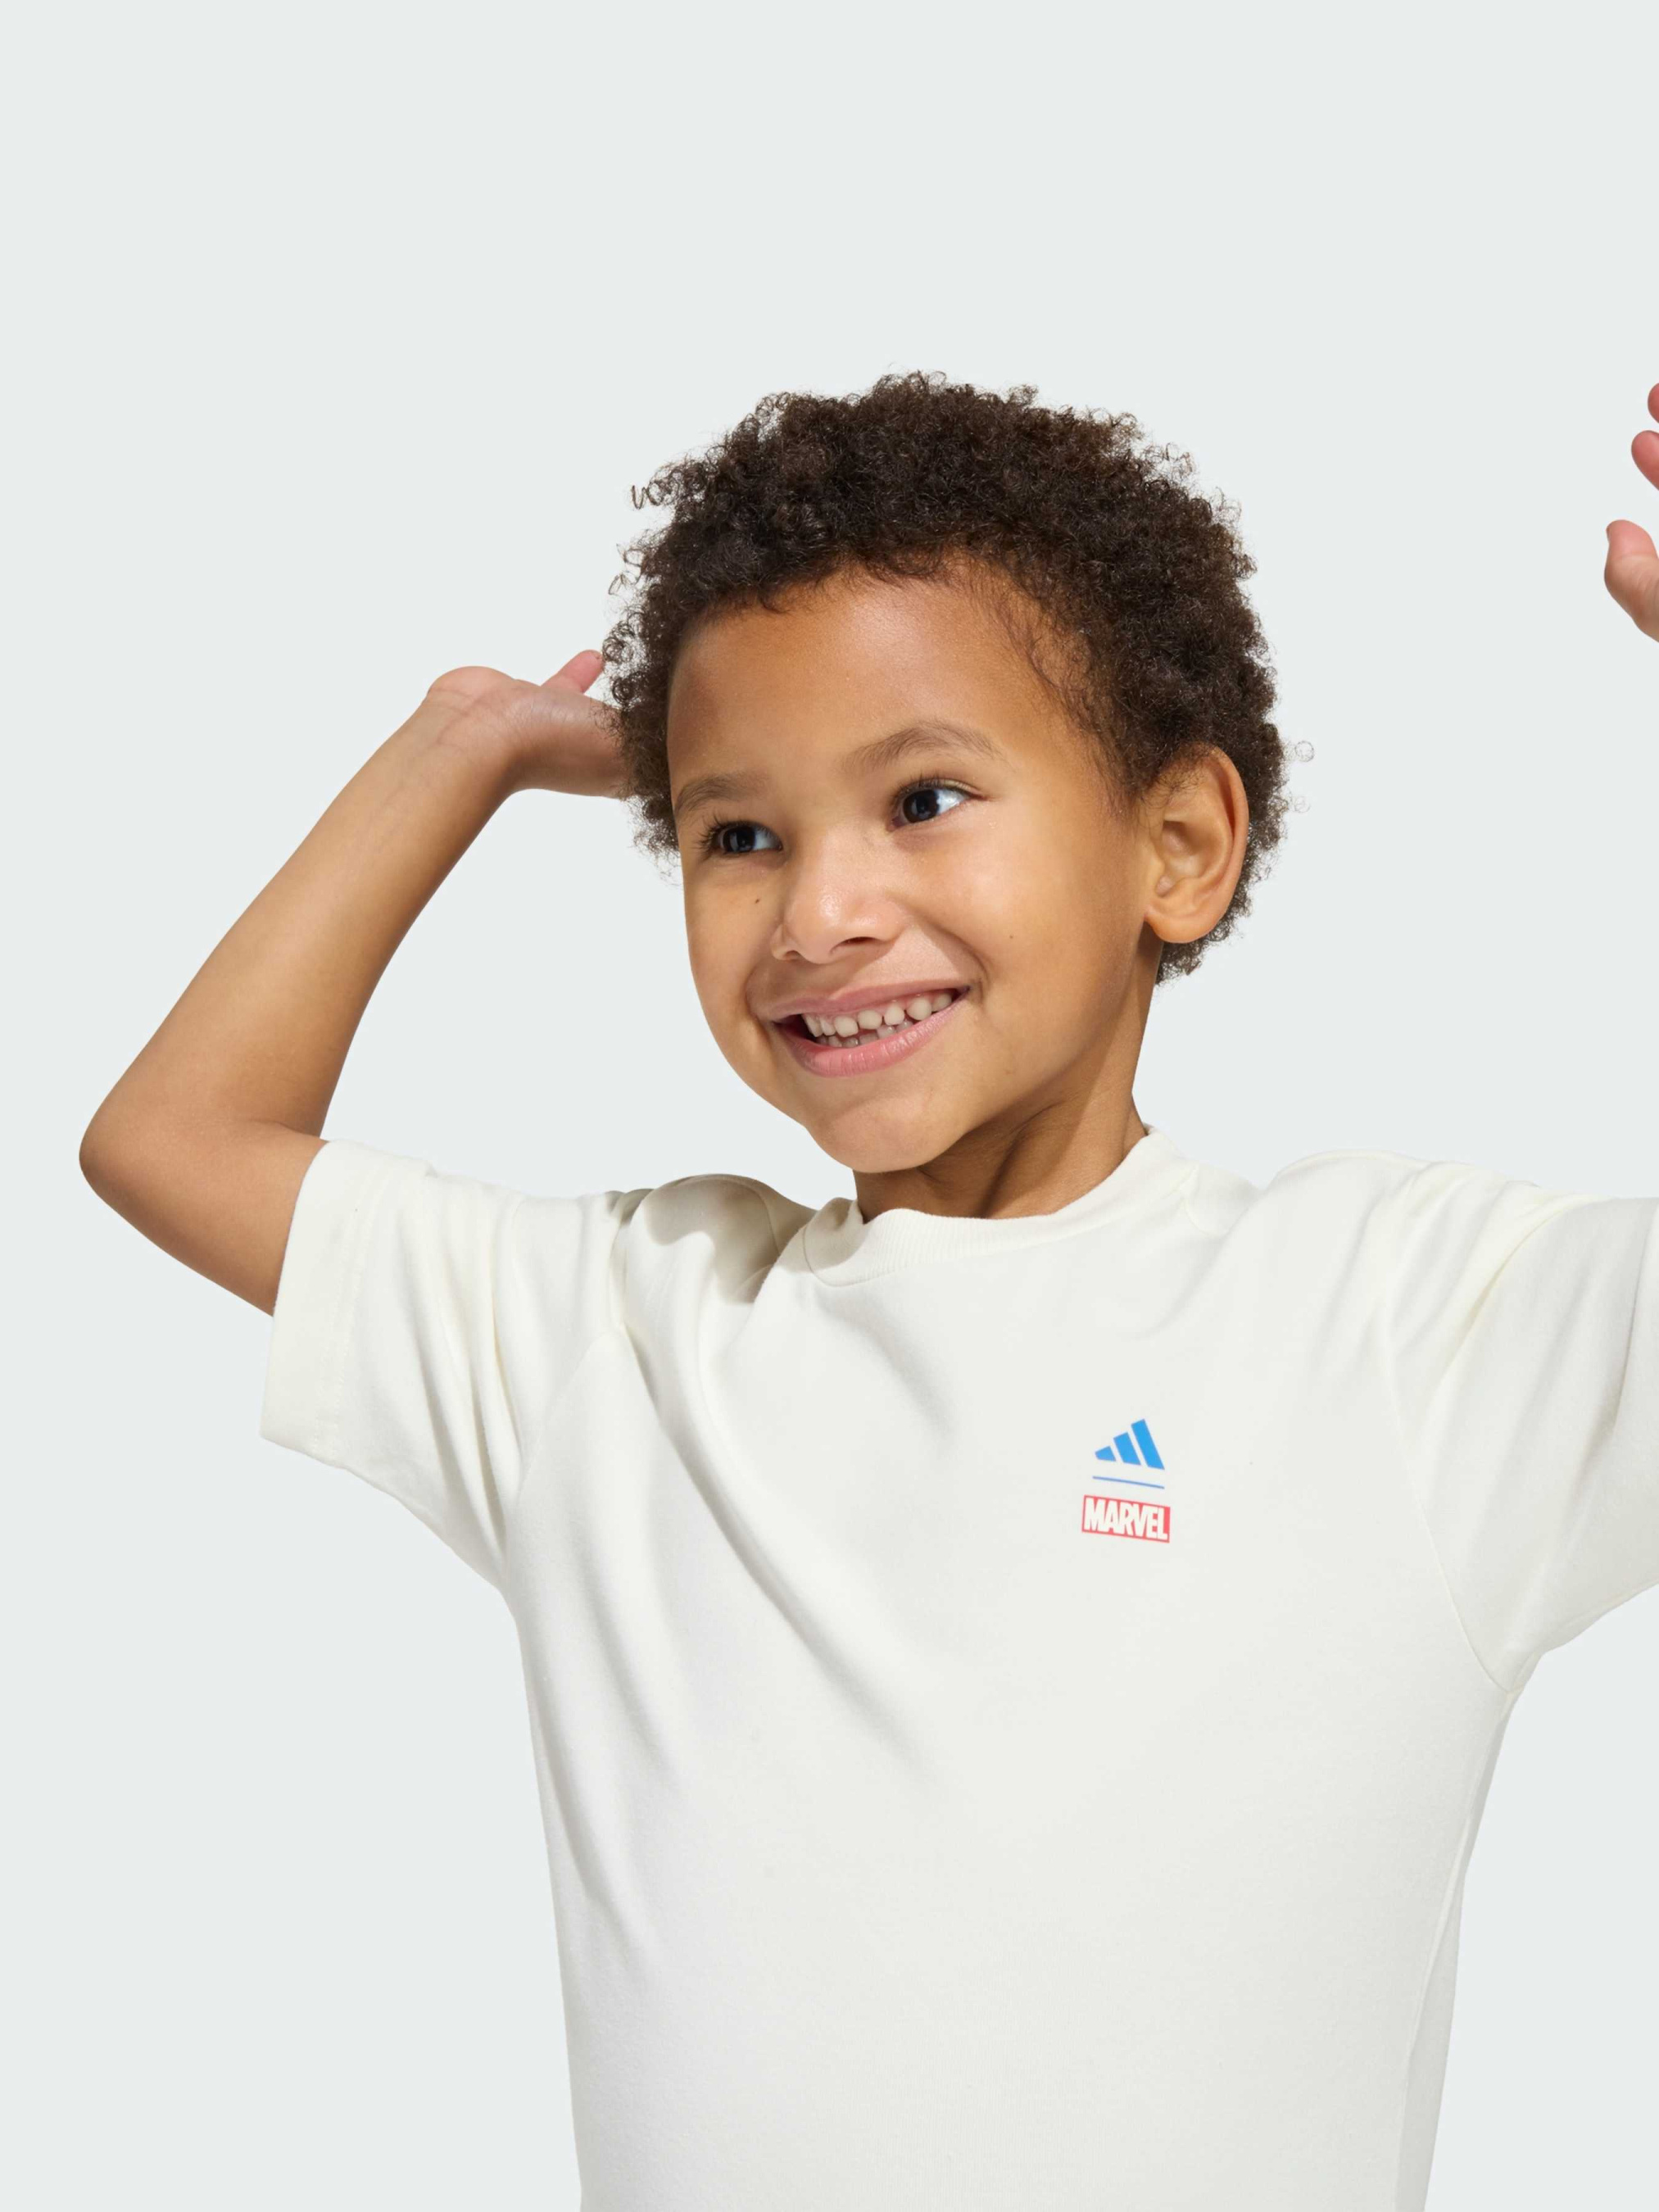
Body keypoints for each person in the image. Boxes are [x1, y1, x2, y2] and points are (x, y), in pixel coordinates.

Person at [79, 370, 1659, 2210]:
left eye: (921, 798)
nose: (818, 912)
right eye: (735, 833)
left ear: (1178, 845)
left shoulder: (1401, 1324)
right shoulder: (624, 1333)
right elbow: (175, 1139)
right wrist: (466, 743)